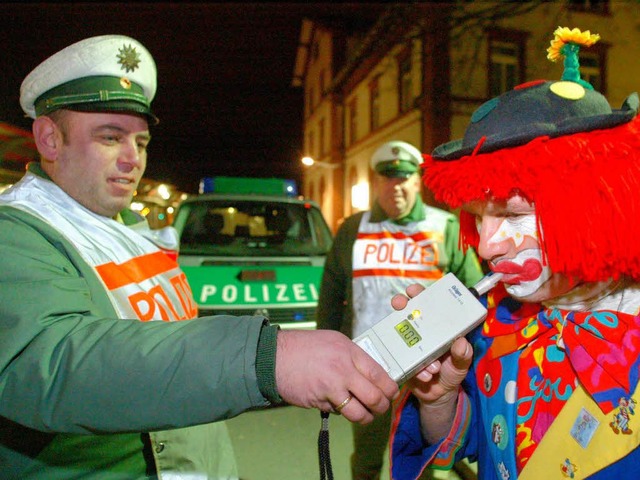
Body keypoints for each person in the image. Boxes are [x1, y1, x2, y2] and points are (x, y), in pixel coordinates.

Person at [0, 34, 398, 480]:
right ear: (49, 139)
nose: (134, 159)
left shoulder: (127, 228)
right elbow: (52, 362)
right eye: (111, 138)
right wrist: (265, 358)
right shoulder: (15, 233)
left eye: (142, 142)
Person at [390, 26, 640, 479]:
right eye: (478, 217)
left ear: (598, 207)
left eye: (515, 214)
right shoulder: (492, 321)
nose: (487, 246)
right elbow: (471, 445)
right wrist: (440, 399)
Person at [316, 140, 483, 480]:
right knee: (367, 459)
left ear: (417, 182)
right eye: (388, 178)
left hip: (430, 371)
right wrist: (325, 360)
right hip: (367, 366)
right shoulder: (353, 229)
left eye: (404, 177)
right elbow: (331, 298)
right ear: (376, 182)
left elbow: (476, 298)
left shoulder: (444, 227)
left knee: (423, 460)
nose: (396, 186)